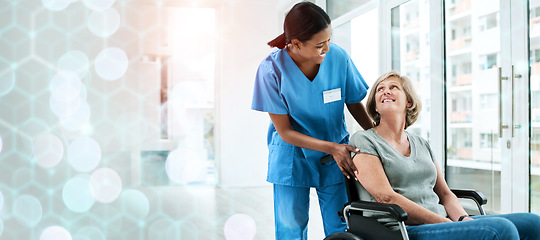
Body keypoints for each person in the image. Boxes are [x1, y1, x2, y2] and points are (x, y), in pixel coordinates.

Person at [349, 70, 540, 240]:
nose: (386, 91)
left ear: (408, 101)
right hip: (401, 229)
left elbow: (445, 194)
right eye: (380, 89)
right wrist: (447, 223)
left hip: (442, 223)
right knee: (500, 230)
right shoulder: (365, 140)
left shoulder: (422, 144)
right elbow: (386, 198)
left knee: (532, 222)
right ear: (375, 105)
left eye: (393, 87)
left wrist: (464, 219)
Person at [251, 2, 374, 239]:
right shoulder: (271, 70)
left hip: (334, 158)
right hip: (292, 159)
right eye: (319, 45)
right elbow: (285, 132)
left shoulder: (337, 56)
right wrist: (334, 148)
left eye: (328, 40)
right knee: (291, 231)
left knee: (343, 226)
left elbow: (353, 101)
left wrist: (378, 138)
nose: (327, 49)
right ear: (295, 44)